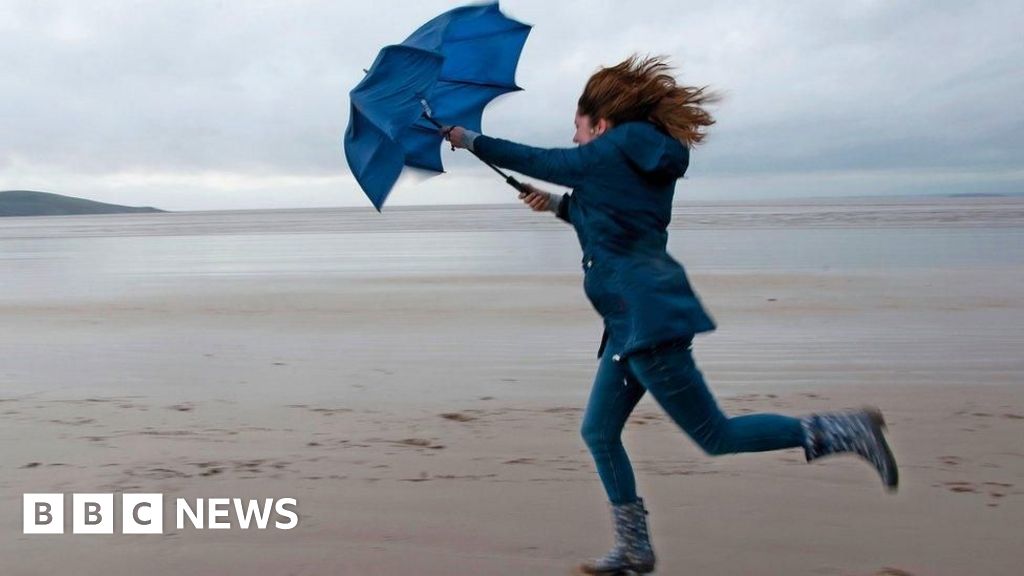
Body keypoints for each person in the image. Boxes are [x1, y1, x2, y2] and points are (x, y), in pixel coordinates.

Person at [444, 55, 898, 575]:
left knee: (716, 435)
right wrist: (555, 206)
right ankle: (634, 548)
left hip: (648, 324)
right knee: (598, 432)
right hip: (628, 326)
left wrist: (470, 139)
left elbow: (551, 162)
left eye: (578, 128)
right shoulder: (635, 160)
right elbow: (614, 220)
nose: (574, 139)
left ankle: (845, 430)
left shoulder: (615, 149)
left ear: (602, 123)